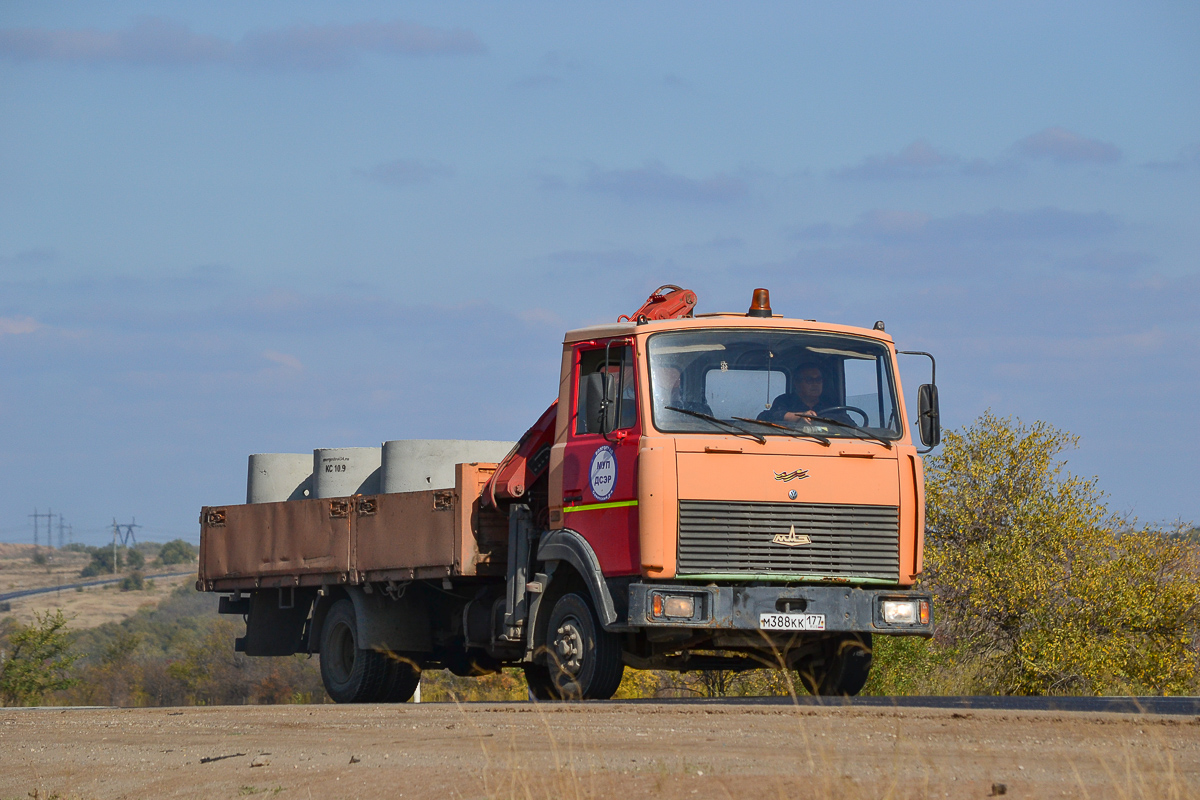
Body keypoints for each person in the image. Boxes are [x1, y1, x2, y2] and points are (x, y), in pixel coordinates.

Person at [758, 363, 850, 425]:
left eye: (818, 380)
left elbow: (850, 424)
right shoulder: (785, 401)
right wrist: (800, 417)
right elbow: (768, 416)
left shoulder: (830, 404)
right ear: (797, 383)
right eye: (809, 380)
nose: (815, 384)